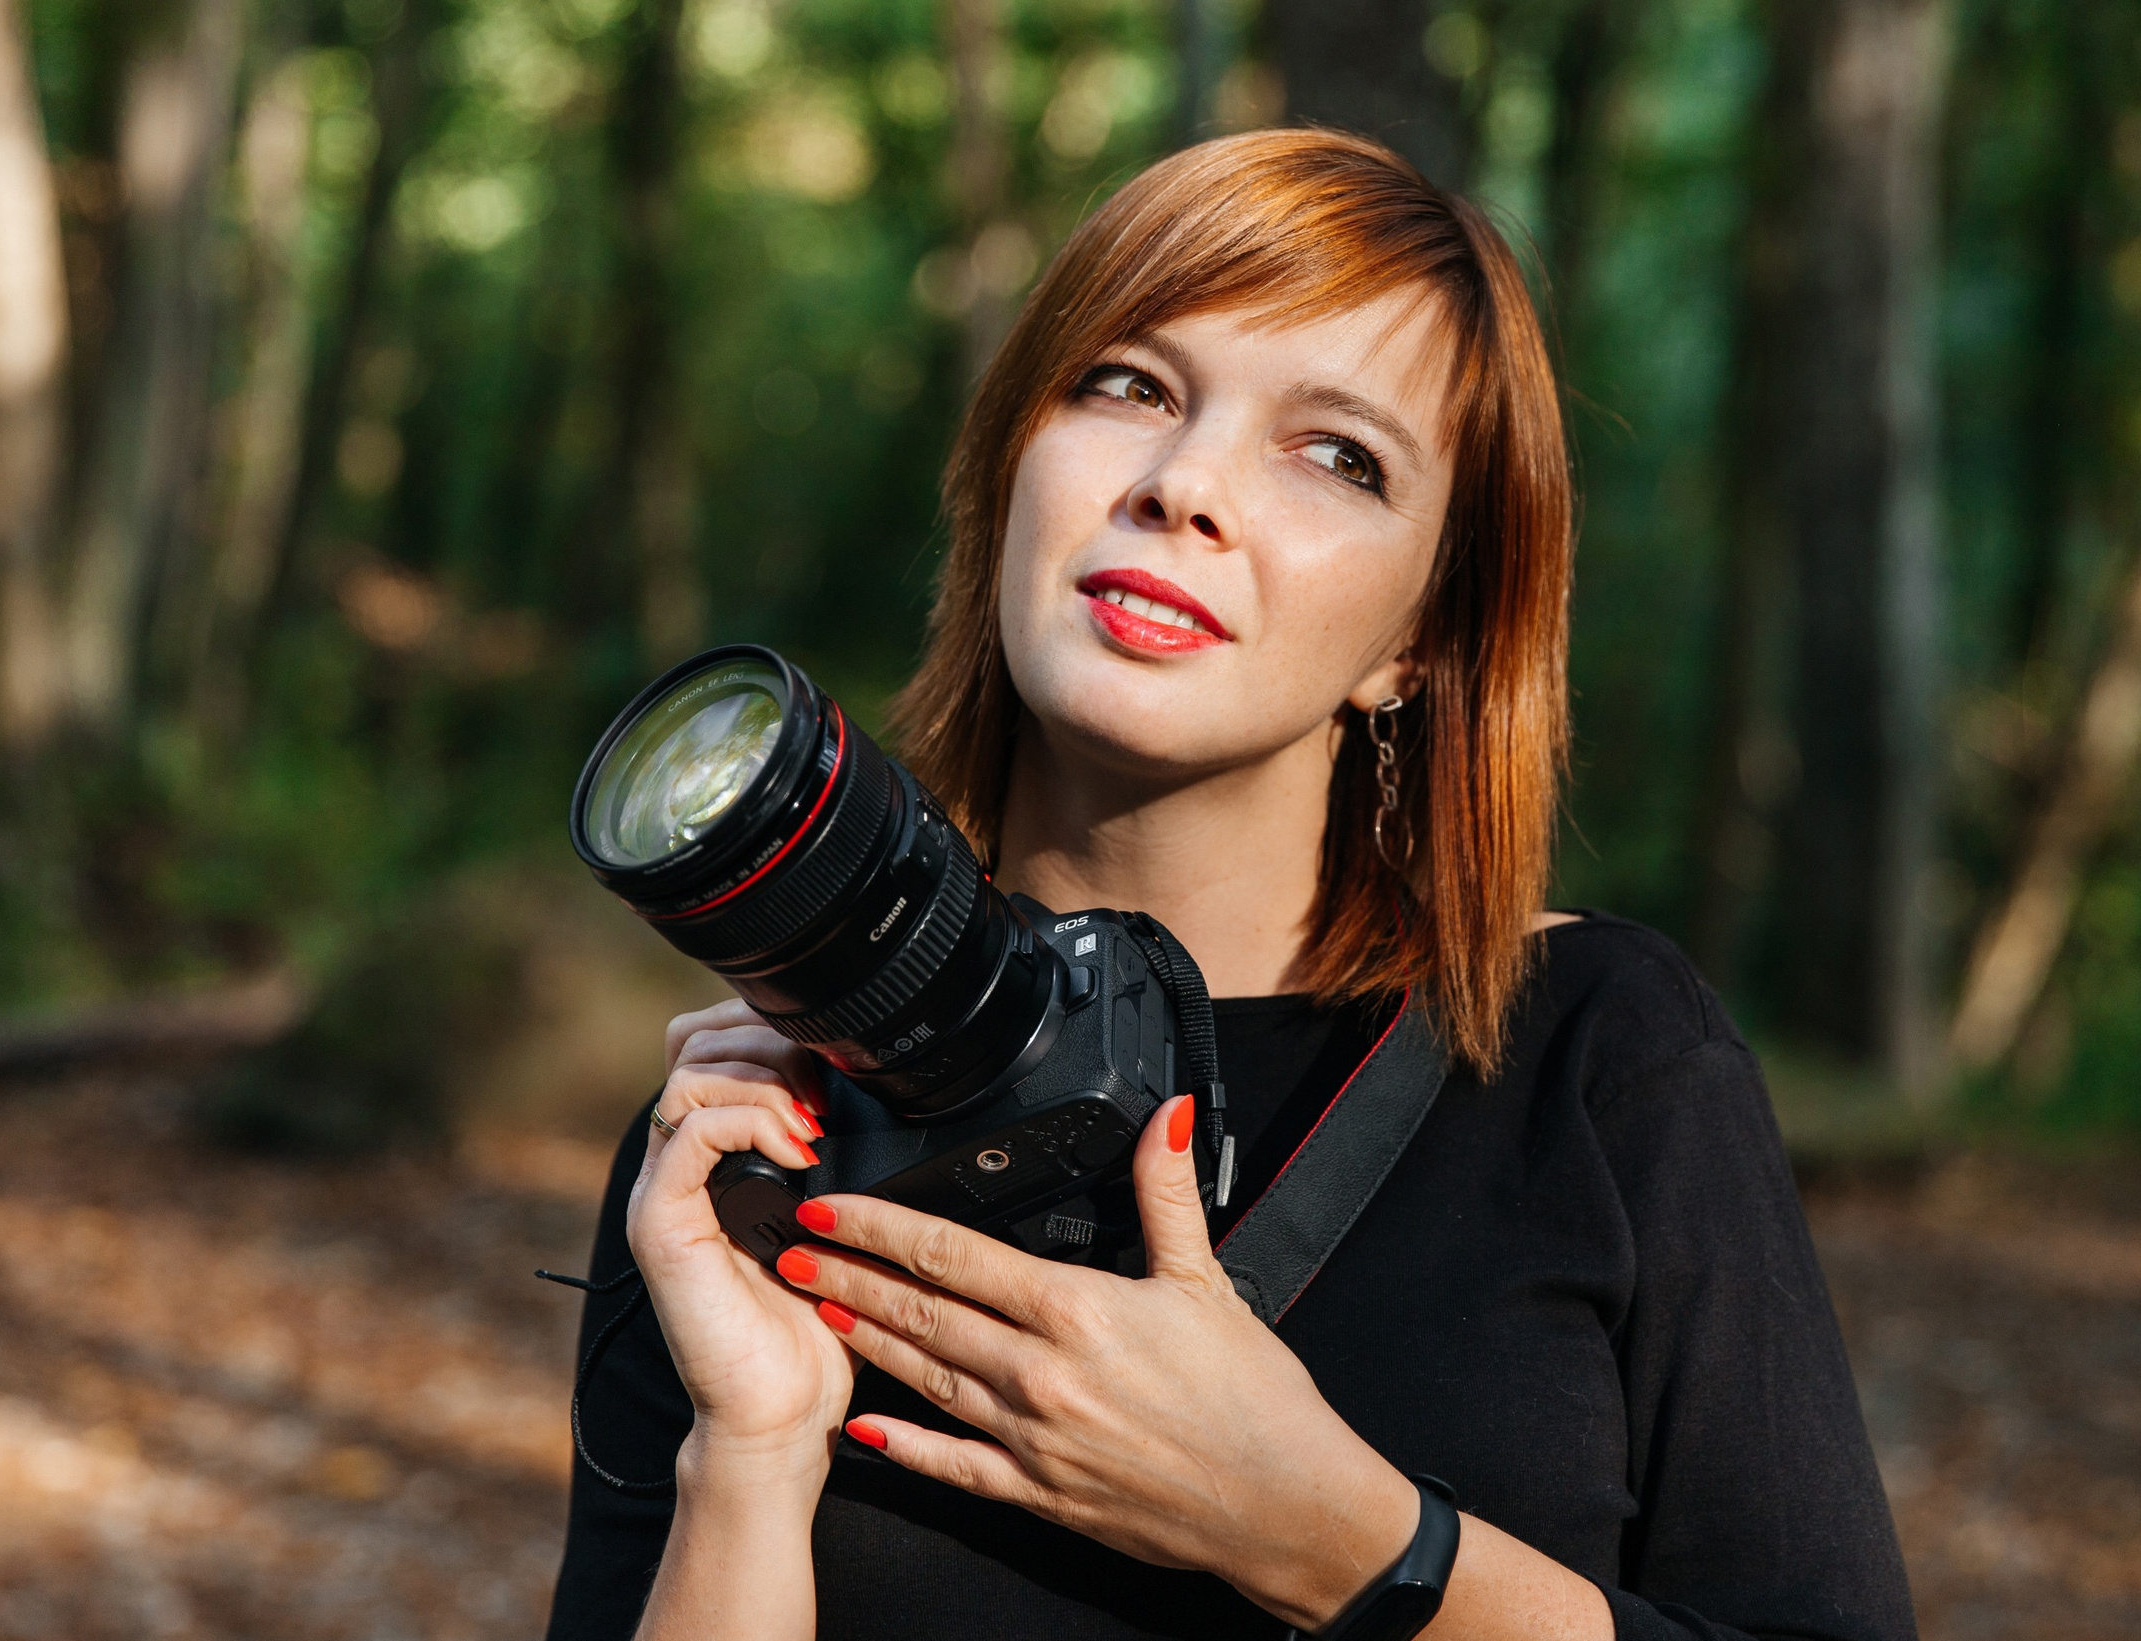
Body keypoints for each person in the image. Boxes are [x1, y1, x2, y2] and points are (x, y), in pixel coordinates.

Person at [546, 129, 1916, 1641]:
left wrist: (1332, 1531)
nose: (1182, 484)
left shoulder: (1600, 1054)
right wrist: (744, 1461)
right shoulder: (762, 1125)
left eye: (1337, 454)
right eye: (1127, 383)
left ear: (1419, 642)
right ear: (1011, 463)